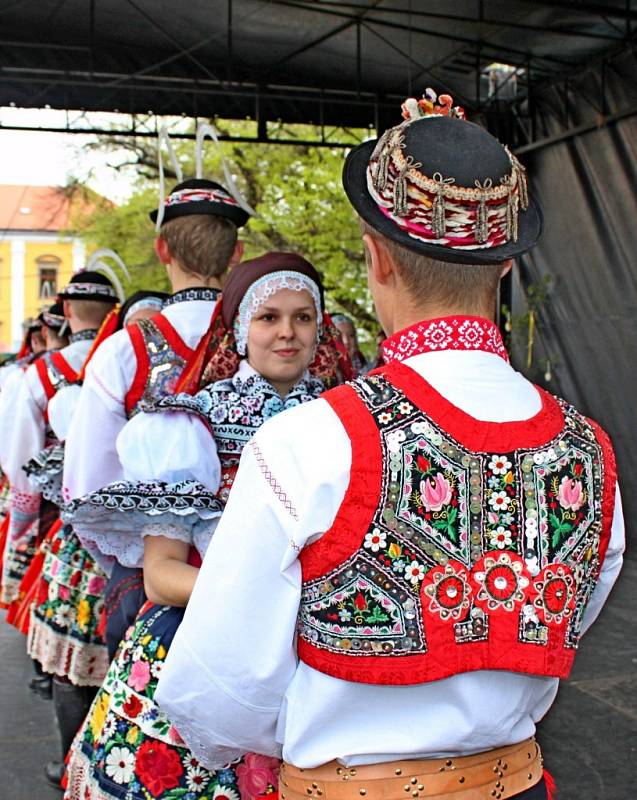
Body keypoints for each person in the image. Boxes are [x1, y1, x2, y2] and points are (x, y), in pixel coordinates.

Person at [155, 93, 624, 800]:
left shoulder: (310, 441)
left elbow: (220, 686)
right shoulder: (586, 448)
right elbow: (574, 612)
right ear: (502, 265)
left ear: (376, 258)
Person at [63, 253, 350, 800]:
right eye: (268, 318)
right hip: (204, 646)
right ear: (239, 331)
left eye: (303, 317)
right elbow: (162, 575)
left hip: (322, 657)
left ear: (321, 328)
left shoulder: (350, 420)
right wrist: (270, 597)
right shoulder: (189, 424)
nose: (287, 333)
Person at [63, 179, 248, 659]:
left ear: (161, 248)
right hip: (257, 564)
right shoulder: (271, 346)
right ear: (236, 253)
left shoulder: (124, 352)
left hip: (152, 575)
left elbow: (87, 482)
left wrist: (130, 558)